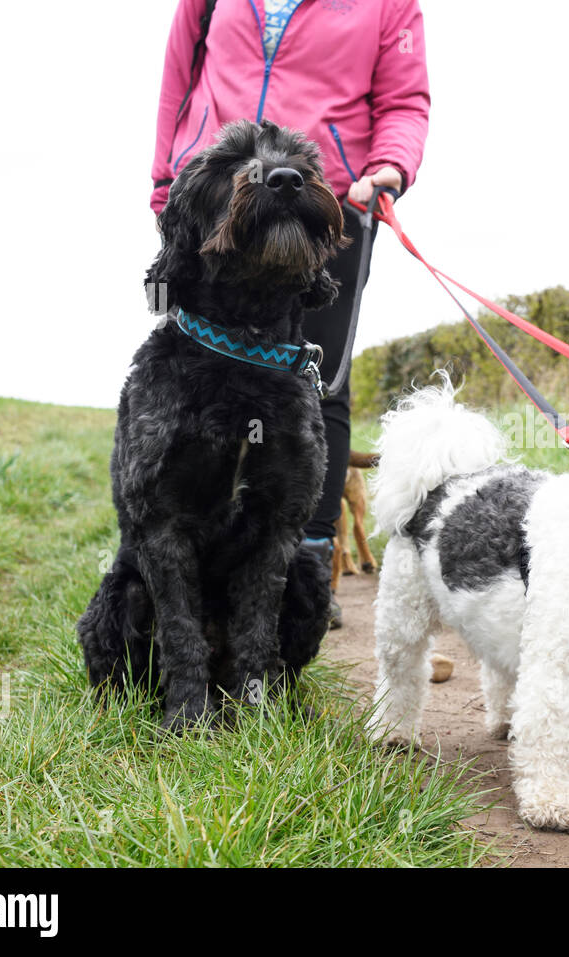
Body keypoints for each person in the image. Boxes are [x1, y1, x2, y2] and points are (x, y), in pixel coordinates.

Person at [150, 0, 430, 624]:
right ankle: (186, 551)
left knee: (315, 380)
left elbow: (405, 101)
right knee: (191, 373)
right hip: (217, 199)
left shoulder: (391, 6)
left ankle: (304, 563)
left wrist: (389, 165)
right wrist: (168, 179)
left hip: (323, 203)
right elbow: (177, 80)